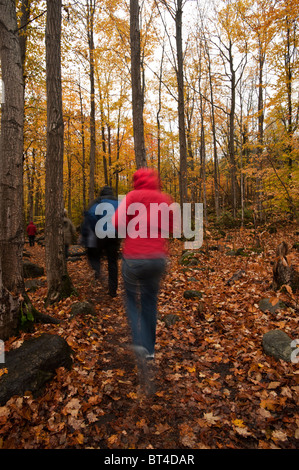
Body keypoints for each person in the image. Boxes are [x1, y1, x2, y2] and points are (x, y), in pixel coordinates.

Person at [112, 168, 173, 362]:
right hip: (157, 258)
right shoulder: (164, 199)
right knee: (149, 301)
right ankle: (149, 349)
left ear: (136, 181)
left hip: (133, 257)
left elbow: (117, 223)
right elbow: (171, 226)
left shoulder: (132, 197)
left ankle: (138, 341)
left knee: (130, 298)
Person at [86, 186, 119, 297]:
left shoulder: (98, 202)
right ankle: (113, 290)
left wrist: (95, 227)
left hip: (101, 235)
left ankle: (98, 272)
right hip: (115, 235)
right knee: (113, 262)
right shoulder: (118, 203)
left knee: (95, 254)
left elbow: (90, 215)